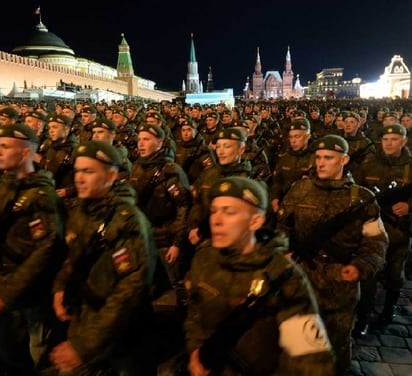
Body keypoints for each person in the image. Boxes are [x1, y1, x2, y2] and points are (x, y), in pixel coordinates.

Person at [184, 176, 335, 376]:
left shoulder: (284, 275)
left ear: (255, 221)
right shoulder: (204, 260)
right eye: (214, 211)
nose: (216, 220)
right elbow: (195, 312)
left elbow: (310, 360)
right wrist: (196, 350)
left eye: (229, 212)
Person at [277, 134, 388, 375]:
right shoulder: (299, 191)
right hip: (302, 282)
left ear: (345, 159)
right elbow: (281, 229)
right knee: (299, 347)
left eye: (328, 157)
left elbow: (376, 241)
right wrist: (283, 251)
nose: (321, 162)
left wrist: (360, 267)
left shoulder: (361, 198)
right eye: (318, 157)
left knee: (336, 348)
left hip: (340, 286)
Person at [50, 140, 158, 375]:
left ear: (110, 176)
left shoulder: (128, 220)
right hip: (86, 317)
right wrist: (60, 287)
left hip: (124, 333)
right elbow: (73, 258)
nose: (78, 178)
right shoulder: (82, 211)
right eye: (77, 171)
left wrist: (83, 345)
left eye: (88, 171)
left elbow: (129, 292)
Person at [0, 123, 66, 374]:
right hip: (7, 279)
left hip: (31, 289)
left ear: (26, 153)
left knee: (37, 348)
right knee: (7, 347)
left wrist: (7, 293)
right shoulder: (8, 185)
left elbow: (44, 252)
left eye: (5, 146)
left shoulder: (42, 197)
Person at [353, 124, 412, 332]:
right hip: (373, 229)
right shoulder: (369, 163)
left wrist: (409, 206)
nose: (389, 143)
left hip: (399, 231)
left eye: (394, 139)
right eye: (386, 139)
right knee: (370, 274)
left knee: (395, 273)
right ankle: (363, 317)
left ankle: (389, 309)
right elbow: (357, 189)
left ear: (403, 142)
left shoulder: (410, 166)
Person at [128, 123, 192, 305]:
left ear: (159, 143)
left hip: (166, 240)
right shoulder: (137, 167)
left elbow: (183, 209)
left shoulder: (171, 171)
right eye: (139, 139)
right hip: (144, 238)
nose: (140, 144)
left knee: (175, 289)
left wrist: (177, 244)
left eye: (146, 139)